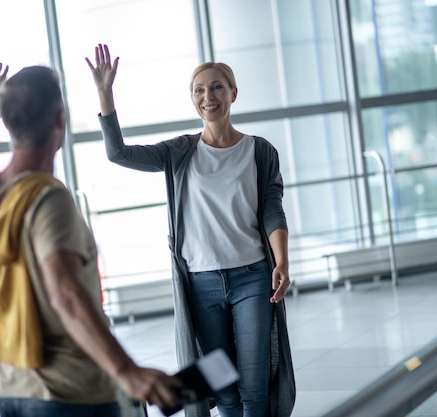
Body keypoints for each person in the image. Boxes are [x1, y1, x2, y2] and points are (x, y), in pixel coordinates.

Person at [0, 63, 182, 417]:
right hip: (72, 395)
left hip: (14, 391)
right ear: (60, 120)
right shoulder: (46, 199)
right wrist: (127, 373)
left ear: (8, 122)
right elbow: (65, 293)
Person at [86, 44, 296, 417]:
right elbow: (118, 153)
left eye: (216, 87)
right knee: (223, 387)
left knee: (254, 386)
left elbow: (271, 210)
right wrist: (105, 94)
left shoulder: (260, 151)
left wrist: (282, 261)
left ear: (233, 93)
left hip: (252, 278)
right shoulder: (180, 152)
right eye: (199, 90)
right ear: (193, 100)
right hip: (201, 286)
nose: (207, 96)